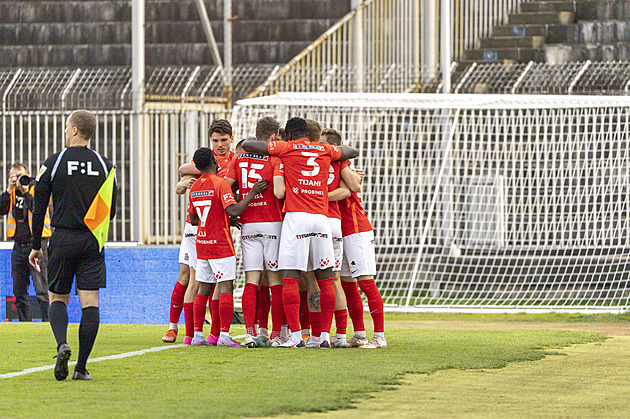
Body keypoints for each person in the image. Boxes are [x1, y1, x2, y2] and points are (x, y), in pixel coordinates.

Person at [242, 117, 358, 348]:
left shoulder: (288, 147)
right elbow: (351, 151)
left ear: (291, 134)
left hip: (297, 219)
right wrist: (330, 149)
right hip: (322, 219)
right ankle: (323, 336)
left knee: (291, 278)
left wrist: (280, 147)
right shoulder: (324, 150)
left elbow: (248, 145)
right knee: (325, 277)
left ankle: (295, 337)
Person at [29, 109, 117, 380]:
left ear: (75, 130)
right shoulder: (105, 165)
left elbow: (39, 205)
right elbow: (111, 210)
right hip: (92, 240)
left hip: (63, 237)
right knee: (90, 303)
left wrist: (36, 244)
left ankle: (61, 345)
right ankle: (81, 368)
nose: (65, 131)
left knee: (58, 298)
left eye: (67, 127)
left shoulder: (54, 162)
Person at [163, 119, 236, 345]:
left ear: (231, 139)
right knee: (188, 276)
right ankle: (175, 328)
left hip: (218, 225)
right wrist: (180, 186)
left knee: (211, 281)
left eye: (224, 140)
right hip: (195, 226)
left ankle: (210, 334)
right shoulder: (204, 161)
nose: (220, 144)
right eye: (215, 140)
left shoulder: (235, 161)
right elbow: (181, 181)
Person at [186, 147, 268, 347]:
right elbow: (234, 210)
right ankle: (223, 336)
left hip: (202, 243)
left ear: (196, 166)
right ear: (215, 161)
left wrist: (224, 220)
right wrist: (253, 193)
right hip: (220, 244)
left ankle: (197, 336)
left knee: (203, 289)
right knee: (226, 288)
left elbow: (195, 219)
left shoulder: (195, 186)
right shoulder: (221, 183)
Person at [225, 116, 286, 347]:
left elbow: (226, 185)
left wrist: (234, 209)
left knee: (251, 280)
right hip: (273, 222)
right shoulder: (276, 158)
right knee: (275, 280)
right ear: (273, 137)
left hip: (248, 223)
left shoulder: (239, 158)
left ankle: (250, 332)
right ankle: (277, 334)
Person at [0, 162, 52, 322]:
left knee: (41, 290)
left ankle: (48, 324)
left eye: (21, 176)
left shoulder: (37, 189)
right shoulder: (11, 194)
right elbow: (1, 210)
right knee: (19, 291)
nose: (18, 180)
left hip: (37, 246)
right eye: (13, 177)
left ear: (28, 176)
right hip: (18, 247)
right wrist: (9, 190)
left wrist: (26, 191)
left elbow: (39, 208)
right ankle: (25, 325)